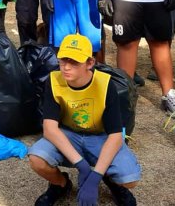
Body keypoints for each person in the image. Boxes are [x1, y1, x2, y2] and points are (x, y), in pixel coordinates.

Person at [28, 33, 140, 206]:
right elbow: (50, 129)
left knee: (130, 178)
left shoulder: (105, 84)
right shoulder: (54, 80)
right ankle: (61, 184)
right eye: (63, 60)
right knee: (37, 158)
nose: (66, 67)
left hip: (99, 136)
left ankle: (111, 181)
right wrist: (81, 165)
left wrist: (96, 176)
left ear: (90, 63)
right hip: (68, 134)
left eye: (74, 62)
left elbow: (115, 136)